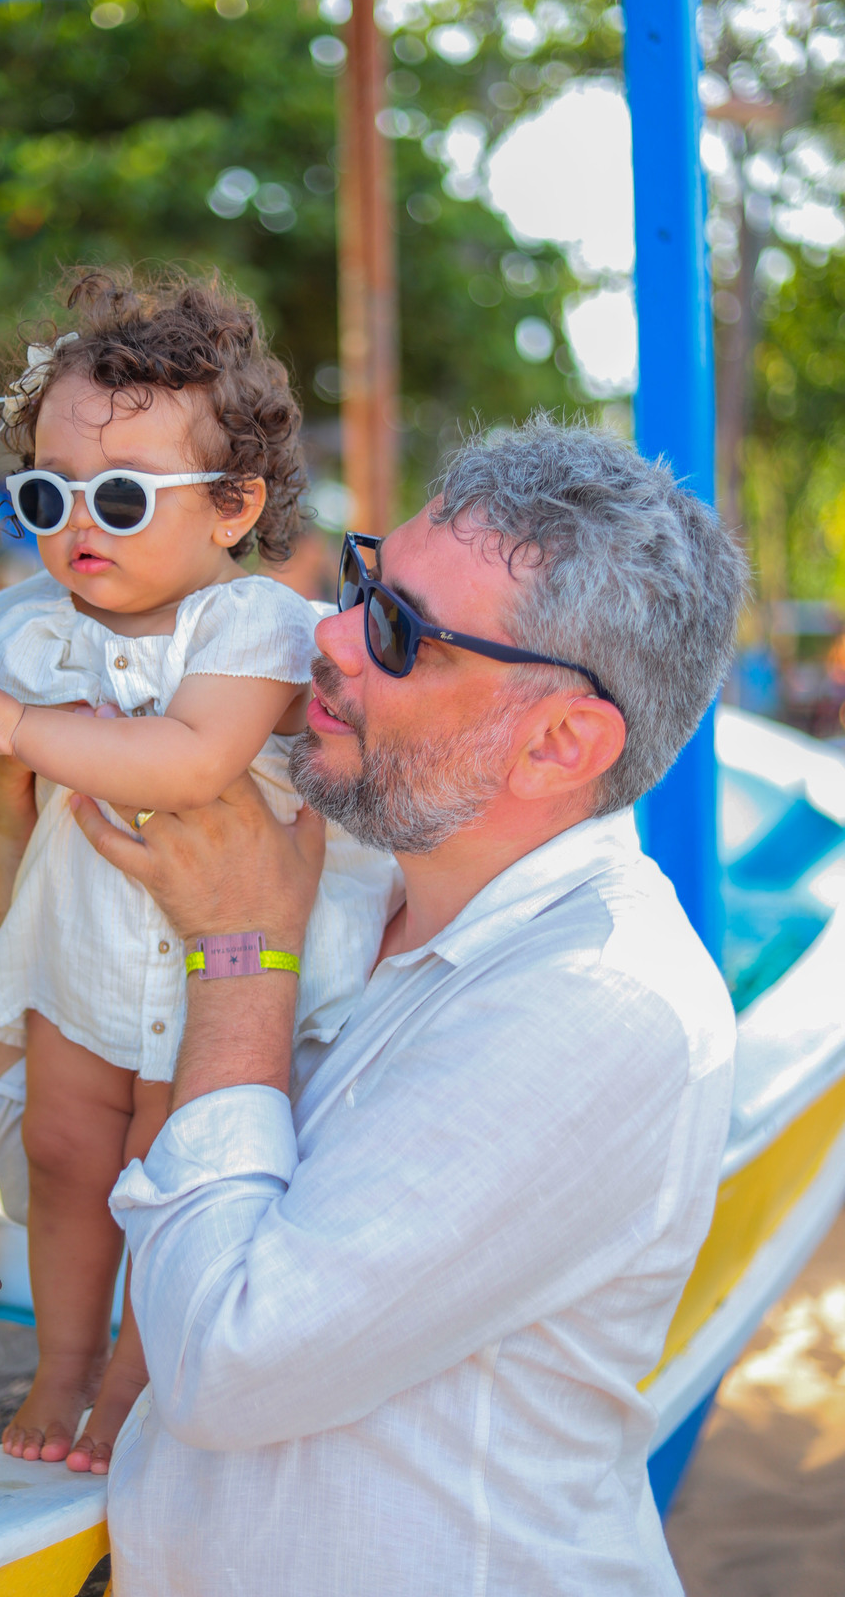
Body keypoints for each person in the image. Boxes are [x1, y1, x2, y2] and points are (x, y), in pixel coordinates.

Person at [63, 417, 750, 1595]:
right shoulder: (362, 866)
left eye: (398, 633)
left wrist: (239, 960)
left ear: (559, 744)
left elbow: (231, 1365)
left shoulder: (602, 1004)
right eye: (363, 583)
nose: (329, 633)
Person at [0, 269, 401, 1475]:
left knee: (160, 1170)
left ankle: (135, 1378)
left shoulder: (257, 630)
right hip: (82, 950)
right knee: (66, 1157)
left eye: (121, 496)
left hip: (225, 968)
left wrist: (24, 731)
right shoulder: (29, 622)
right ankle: (62, 1358)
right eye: (46, 492)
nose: (77, 524)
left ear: (232, 505)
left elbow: (191, 756)